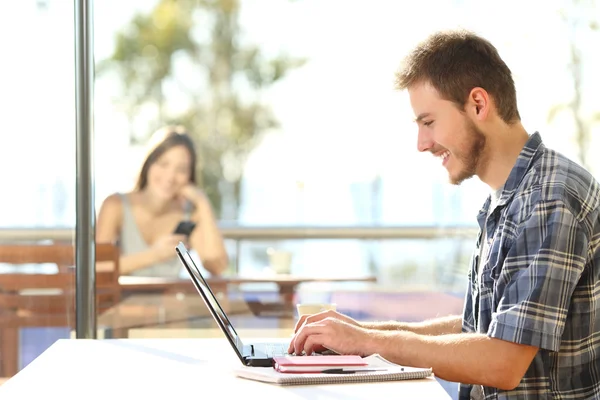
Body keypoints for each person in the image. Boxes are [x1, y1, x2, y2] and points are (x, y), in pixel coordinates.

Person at [288, 30, 600, 399]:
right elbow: (479, 330)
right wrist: (356, 333)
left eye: (429, 122)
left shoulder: (550, 196)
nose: (421, 144)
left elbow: (503, 360)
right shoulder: (510, 198)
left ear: (479, 104)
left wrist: (367, 341)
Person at [96, 125, 228, 277]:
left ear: (189, 176)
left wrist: (202, 203)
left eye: (181, 170)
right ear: (149, 164)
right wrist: (155, 255)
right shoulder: (115, 205)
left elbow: (217, 266)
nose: (170, 177)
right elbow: (99, 268)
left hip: (170, 300)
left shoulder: (189, 214)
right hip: (123, 300)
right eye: (163, 164)